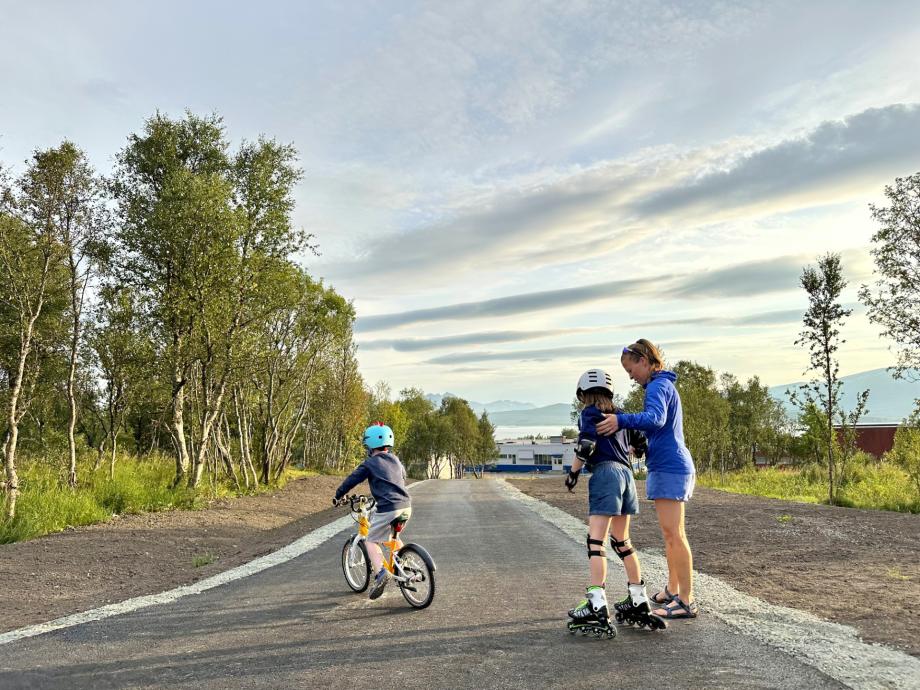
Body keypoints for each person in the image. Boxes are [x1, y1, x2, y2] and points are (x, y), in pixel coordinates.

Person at [596, 339, 699, 619]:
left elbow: (654, 418)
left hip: (671, 467)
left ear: (644, 361)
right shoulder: (662, 385)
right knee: (670, 535)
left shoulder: (657, 386)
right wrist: (642, 446)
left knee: (675, 535)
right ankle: (672, 589)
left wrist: (621, 421)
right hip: (668, 464)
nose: (631, 377)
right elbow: (661, 427)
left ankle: (686, 601)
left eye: (631, 370)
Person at [566, 368, 665, 635]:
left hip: (606, 473)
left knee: (595, 541)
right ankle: (638, 597)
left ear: (583, 394)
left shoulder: (589, 413)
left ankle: (596, 602)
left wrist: (573, 473)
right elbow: (641, 443)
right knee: (621, 541)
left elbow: (585, 446)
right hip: (627, 476)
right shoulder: (621, 415)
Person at [334, 423, 411, 600]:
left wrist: (339, 495)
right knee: (393, 538)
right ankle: (405, 565)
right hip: (406, 505)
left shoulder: (369, 463)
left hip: (389, 508)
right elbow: (402, 477)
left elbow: (351, 480)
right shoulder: (396, 460)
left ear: (369, 444)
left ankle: (381, 574)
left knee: (371, 540)